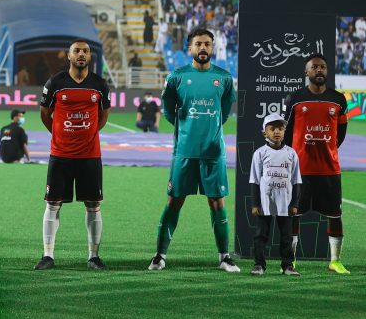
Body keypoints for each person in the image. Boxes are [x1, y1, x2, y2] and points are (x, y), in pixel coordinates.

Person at [148, 28, 238, 272]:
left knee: (217, 203)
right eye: (198, 44)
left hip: (213, 153)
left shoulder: (225, 78)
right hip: (184, 152)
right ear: (189, 48)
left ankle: (224, 257)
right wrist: (187, 128)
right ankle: (159, 255)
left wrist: (209, 129)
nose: (203, 48)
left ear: (212, 48)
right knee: (174, 201)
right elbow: (168, 111)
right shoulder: (176, 77)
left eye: (207, 44)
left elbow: (225, 111)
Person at [35, 39, 112, 271]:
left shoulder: (99, 84)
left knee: (93, 204)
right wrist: (61, 135)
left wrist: (87, 135)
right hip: (61, 155)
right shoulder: (55, 83)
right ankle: (48, 255)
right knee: (53, 203)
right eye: (76, 51)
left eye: (85, 51)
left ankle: (94, 256)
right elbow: (45, 114)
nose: (81, 54)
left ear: (90, 57)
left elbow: (103, 116)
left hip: (90, 155)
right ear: (68, 56)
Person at [283, 54, 350, 274]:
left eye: (322, 67)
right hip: (300, 170)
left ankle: (335, 260)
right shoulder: (295, 98)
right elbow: (288, 131)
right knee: (294, 214)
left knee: (335, 215)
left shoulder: (338, 99)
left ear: (327, 71)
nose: (319, 70)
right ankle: (290, 260)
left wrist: (327, 148)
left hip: (329, 169)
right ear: (307, 72)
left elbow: (340, 134)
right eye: (314, 67)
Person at [249, 113, 301, 277]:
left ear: (284, 131)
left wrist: (295, 204)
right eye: (272, 129)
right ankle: (259, 265)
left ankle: (287, 266)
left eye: (280, 128)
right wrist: (255, 204)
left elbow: (296, 180)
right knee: (261, 235)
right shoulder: (259, 153)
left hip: (285, 203)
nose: (277, 132)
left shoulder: (291, 153)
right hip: (265, 203)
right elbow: (255, 180)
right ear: (265, 132)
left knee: (286, 237)